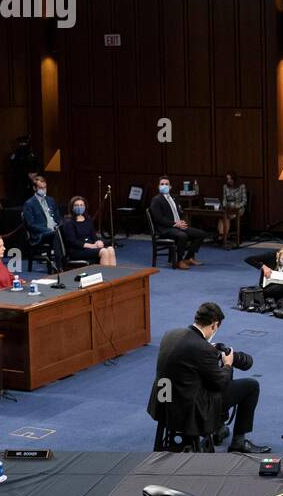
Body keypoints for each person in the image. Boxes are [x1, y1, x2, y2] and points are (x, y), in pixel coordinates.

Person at [147, 302, 269, 454]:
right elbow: (220, 384)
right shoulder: (202, 349)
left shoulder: (170, 334)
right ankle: (237, 441)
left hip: (163, 401)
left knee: (210, 378)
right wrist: (228, 364)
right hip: (189, 408)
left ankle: (219, 428)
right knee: (251, 386)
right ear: (214, 325)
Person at [150, 176, 209, 269]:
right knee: (183, 236)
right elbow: (158, 218)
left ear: (170, 187)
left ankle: (189, 257)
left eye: (166, 184)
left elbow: (179, 212)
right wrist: (175, 224)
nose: (164, 186)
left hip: (178, 226)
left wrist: (181, 222)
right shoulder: (156, 200)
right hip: (165, 229)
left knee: (201, 234)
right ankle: (179, 261)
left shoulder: (174, 197)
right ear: (158, 186)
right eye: (162, 184)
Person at [22, 175, 64, 270]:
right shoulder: (29, 204)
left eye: (45, 187)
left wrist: (61, 225)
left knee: (65, 230)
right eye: (41, 188)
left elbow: (58, 218)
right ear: (34, 188)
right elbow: (30, 224)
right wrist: (48, 230)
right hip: (40, 234)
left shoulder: (51, 200)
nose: (43, 190)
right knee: (55, 234)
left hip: (55, 230)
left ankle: (69, 260)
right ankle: (59, 265)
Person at [62, 196, 117, 265]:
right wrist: (92, 246)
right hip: (77, 250)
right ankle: (105, 275)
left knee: (110, 249)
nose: (79, 207)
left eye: (81, 205)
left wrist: (98, 241)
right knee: (104, 251)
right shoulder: (69, 222)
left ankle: (112, 274)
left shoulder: (88, 220)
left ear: (85, 207)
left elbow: (93, 236)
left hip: (91, 246)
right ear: (72, 208)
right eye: (76, 205)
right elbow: (73, 242)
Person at [6, 134, 41, 202]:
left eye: (26, 143)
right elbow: (14, 168)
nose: (24, 145)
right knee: (21, 199)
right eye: (22, 143)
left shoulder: (31, 153)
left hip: (32, 180)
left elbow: (37, 164)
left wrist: (35, 173)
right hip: (20, 181)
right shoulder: (17, 155)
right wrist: (27, 174)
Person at [218, 171, 247, 249]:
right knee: (224, 216)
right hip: (228, 208)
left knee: (227, 216)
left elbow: (244, 201)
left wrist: (236, 206)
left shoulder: (241, 186)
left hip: (238, 208)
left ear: (234, 179)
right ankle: (222, 237)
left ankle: (223, 238)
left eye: (230, 178)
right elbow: (224, 199)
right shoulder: (225, 186)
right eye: (227, 179)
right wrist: (224, 206)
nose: (229, 180)